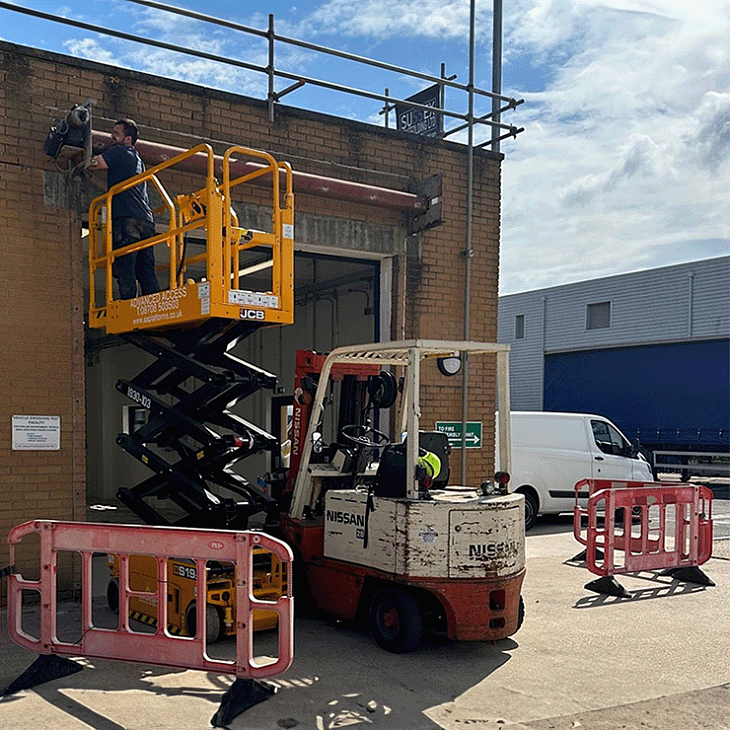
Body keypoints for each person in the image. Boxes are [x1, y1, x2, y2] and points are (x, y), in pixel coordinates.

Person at [89, 119, 159, 300]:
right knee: (145, 269)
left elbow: (96, 163)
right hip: (146, 221)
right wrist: (87, 177)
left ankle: (128, 304)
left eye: (116, 133)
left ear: (128, 139)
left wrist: (82, 159)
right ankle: (154, 305)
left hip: (127, 220)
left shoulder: (119, 151)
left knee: (125, 264)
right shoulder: (137, 160)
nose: (111, 136)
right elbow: (112, 191)